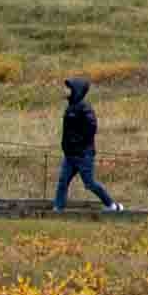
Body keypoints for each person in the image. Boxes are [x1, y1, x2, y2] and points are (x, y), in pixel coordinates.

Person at [57, 77, 125, 211]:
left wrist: (79, 145)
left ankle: (112, 205)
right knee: (62, 182)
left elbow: (91, 128)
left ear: (76, 90)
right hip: (70, 155)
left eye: (68, 88)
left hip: (83, 155)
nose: (65, 90)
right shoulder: (70, 107)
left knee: (89, 183)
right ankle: (57, 210)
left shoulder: (84, 108)